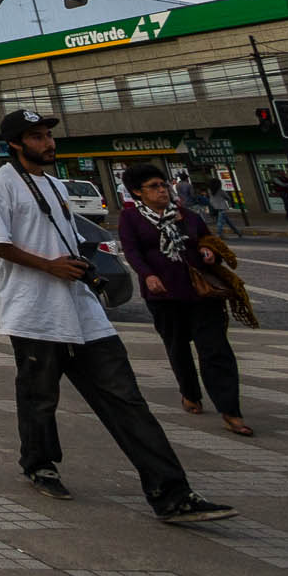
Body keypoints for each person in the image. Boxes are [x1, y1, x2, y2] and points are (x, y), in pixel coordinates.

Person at [0, 108, 233, 524]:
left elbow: (67, 237)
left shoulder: (55, 185)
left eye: (48, 135)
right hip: (34, 312)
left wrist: (80, 263)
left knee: (126, 398)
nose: (48, 143)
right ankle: (39, 463)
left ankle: (171, 493)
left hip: (82, 310)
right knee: (39, 397)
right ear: (16, 144)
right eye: (37, 137)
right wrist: (48, 266)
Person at [116, 165, 256, 438]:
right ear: (137, 192)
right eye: (154, 186)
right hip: (164, 295)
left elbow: (207, 238)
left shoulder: (187, 215)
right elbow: (132, 251)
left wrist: (208, 250)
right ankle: (190, 392)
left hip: (202, 293)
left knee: (215, 349)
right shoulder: (131, 218)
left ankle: (231, 411)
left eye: (163, 185)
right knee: (177, 347)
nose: (162, 191)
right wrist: (148, 275)